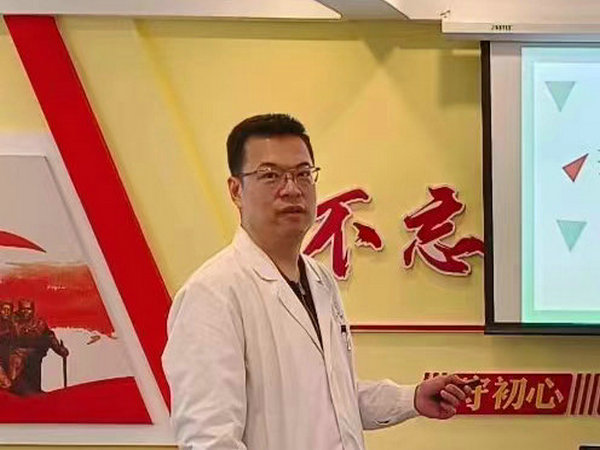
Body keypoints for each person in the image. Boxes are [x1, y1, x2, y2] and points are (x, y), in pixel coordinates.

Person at [163, 114, 471, 450]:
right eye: (270, 175)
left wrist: (410, 398)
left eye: (303, 174)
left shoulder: (319, 279)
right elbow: (209, 440)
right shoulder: (212, 294)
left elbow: (334, 396)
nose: (292, 189)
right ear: (236, 190)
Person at [9, 299, 69, 395]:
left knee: (34, 376)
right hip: (17, 353)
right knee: (15, 362)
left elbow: (49, 337)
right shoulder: (12, 320)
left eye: (28, 309)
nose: (25, 312)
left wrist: (60, 350)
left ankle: (34, 391)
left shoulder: (39, 323)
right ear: (19, 309)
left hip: (35, 354)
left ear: (33, 310)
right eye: (23, 309)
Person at [0, 301, 14, 389]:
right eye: (4, 309)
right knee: (7, 384)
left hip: (7, 358)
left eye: (8, 310)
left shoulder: (12, 324)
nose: (6, 312)